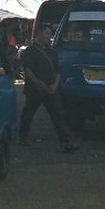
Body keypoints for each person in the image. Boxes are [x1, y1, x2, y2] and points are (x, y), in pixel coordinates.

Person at [18, 23, 78, 153]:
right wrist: (37, 82)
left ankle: (65, 141)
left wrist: (55, 85)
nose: (48, 37)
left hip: (51, 89)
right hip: (35, 90)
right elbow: (27, 70)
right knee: (28, 113)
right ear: (39, 33)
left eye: (50, 34)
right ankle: (22, 137)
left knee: (58, 115)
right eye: (46, 34)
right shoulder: (31, 51)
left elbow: (58, 72)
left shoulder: (52, 52)